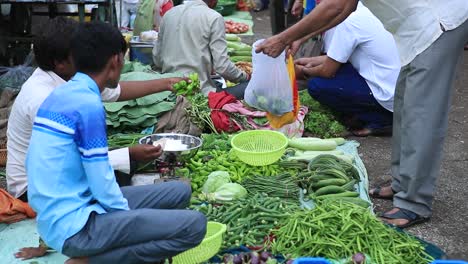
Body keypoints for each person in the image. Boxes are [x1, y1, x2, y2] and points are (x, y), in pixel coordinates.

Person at [257, 0, 468, 228]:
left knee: (421, 116)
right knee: (405, 106)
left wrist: (284, 38)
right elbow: (346, 7)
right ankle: (401, 184)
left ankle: (414, 203)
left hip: (437, 23)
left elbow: (337, 6)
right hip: (413, 29)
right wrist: (300, 37)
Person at [26, 21, 207, 264]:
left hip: (71, 207)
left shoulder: (66, 92)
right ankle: (89, 261)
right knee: (195, 225)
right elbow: (103, 183)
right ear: (116, 61)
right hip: (75, 227)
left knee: (180, 191)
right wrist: (127, 224)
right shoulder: (87, 105)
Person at [294, 2, 400, 136]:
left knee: (317, 85)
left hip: (387, 94)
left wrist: (303, 72)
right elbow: (338, 57)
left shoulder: (350, 21)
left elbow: (327, 70)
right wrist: (308, 62)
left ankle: (381, 119)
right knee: (340, 72)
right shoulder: (368, 10)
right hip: (400, 87)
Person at [153, 0, 249, 95]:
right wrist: (245, 77)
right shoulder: (213, 17)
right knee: (249, 87)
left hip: (168, 88)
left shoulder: (169, 14)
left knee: (215, 82)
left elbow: (157, 58)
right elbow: (222, 67)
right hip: (197, 90)